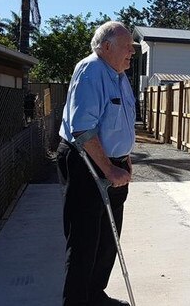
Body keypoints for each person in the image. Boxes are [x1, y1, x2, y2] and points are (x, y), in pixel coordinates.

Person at [56, 21, 136, 306]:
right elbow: (83, 130)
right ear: (106, 47)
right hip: (86, 163)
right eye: (127, 47)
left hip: (113, 165)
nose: (132, 52)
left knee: (107, 242)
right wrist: (108, 168)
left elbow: (118, 122)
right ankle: (77, 301)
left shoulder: (119, 75)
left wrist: (124, 158)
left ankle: (94, 295)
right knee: (84, 242)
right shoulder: (91, 71)